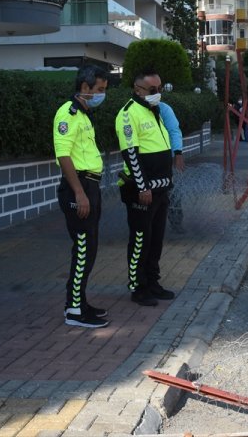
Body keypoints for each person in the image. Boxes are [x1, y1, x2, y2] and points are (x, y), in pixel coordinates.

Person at [53, 65, 110, 329]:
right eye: (99, 90)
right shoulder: (68, 113)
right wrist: (79, 192)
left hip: (90, 186)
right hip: (79, 187)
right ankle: (74, 310)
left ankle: (79, 302)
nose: (102, 95)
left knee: (89, 250)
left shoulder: (84, 115)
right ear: (85, 88)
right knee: (83, 249)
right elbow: (64, 156)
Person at [116, 69, 175, 306]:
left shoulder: (153, 111)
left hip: (160, 189)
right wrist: (143, 188)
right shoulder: (128, 114)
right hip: (142, 191)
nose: (158, 93)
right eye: (153, 90)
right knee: (140, 239)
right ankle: (137, 287)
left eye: (160, 88)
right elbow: (131, 155)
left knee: (156, 239)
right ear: (138, 90)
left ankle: (152, 282)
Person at [158, 85, 185, 233]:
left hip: (165, 160)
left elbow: (174, 131)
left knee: (171, 192)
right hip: (144, 161)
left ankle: (176, 223)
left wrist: (178, 153)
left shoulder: (164, 109)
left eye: (158, 90)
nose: (156, 94)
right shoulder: (133, 111)